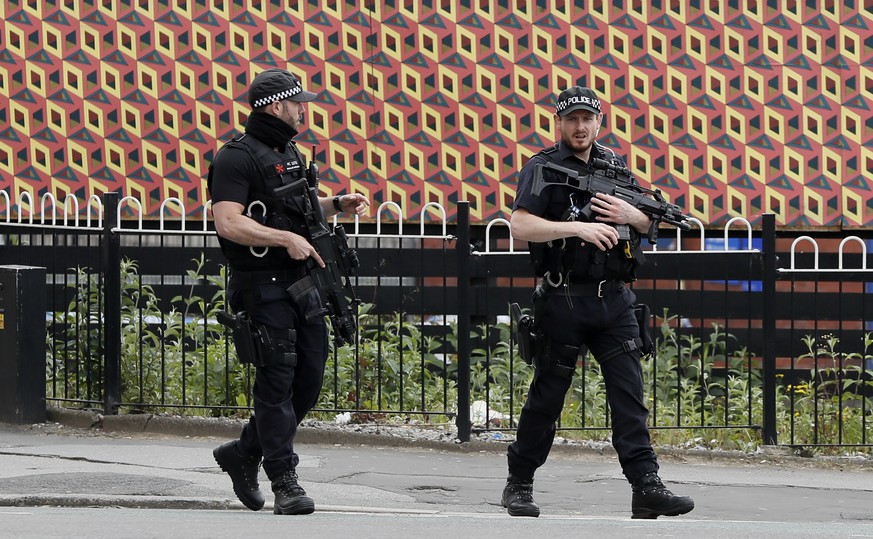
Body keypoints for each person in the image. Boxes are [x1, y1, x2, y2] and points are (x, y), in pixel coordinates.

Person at [502, 86, 694, 519]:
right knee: (547, 397)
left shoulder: (615, 165)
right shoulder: (541, 167)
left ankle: (646, 487)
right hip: (563, 300)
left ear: (599, 122)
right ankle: (519, 482)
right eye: (572, 119)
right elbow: (519, 225)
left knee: (630, 396)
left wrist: (633, 217)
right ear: (560, 122)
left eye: (588, 118)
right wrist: (577, 230)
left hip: (615, 301)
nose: (580, 126)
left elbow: (647, 221)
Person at [207, 68, 369, 515]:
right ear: (277, 106)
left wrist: (336, 204)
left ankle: (242, 453)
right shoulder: (235, 157)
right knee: (276, 380)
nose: (305, 110)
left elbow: (291, 208)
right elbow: (228, 220)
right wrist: (285, 241)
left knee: (309, 380)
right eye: (301, 103)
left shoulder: (290, 152)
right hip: (264, 287)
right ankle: (285, 480)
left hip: (304, 284)